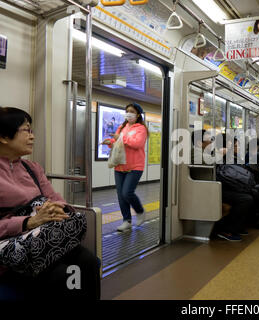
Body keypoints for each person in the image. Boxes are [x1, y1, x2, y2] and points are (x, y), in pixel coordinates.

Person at [0, 107, 100, 300]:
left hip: (44, 241)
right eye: (26, 130)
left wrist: (57, 208)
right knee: (62, 276)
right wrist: (29, 222)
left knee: (89, 262)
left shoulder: (32, 168)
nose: (32, 136)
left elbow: (54, 197)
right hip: (12, 249)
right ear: (4, 137)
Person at [102, 103, 149, 232]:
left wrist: (121, 138)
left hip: (135, 166)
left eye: (131, 111)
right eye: (127, 111)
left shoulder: (141, 129)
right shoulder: (122, 127)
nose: (128, 113)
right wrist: (109, 142)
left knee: (127, 192)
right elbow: (117, 142)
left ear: (138, 114)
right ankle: (126, 221)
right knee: (121, 195)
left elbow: (137, 143)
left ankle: (140, 211)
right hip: (120, 165)